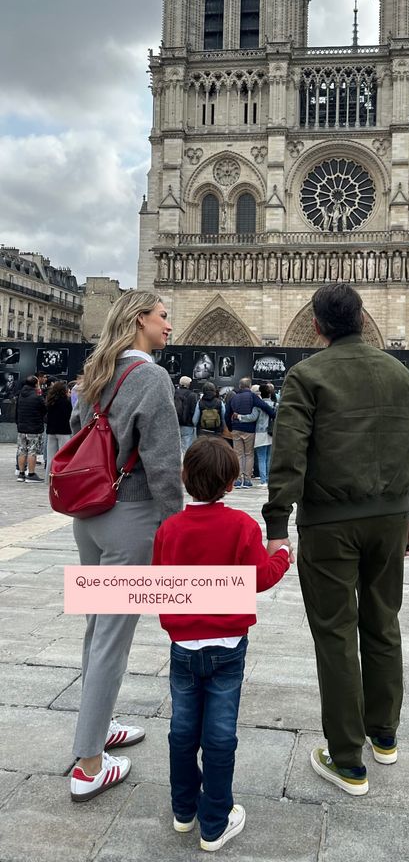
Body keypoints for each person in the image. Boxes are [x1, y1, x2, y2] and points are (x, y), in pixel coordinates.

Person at [262, 283, 409, 797]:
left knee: (336, 633)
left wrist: (276, 526)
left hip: (329, 524)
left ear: (317, 326)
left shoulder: (307, 376)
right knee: (383, 623)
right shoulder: (403, 375)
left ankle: (346, 760)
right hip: (389, 519)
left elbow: (288, 456)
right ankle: (384, 736)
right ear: (362, 319)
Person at [69, 290, 183, 803]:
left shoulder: (98, 370)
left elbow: (78, 432)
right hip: (129, 516)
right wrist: (177, 527)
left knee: (97, 629)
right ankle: (89, 764)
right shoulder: (151, 377)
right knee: (113, 638)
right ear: (140, 319)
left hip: (88, 516)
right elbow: (162, 462)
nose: (169, 326)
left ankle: (103, 722)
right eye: (163, 317)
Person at [152, 438, 292, 850]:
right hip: (229, 646)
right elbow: (260, 578)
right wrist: (282, 555)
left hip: (183, 647)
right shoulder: (242, 527)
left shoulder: (170, 529)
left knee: (182, 729)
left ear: (183, 478)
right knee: (219, 733)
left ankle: (183, 810)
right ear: (232, 484)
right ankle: (215, 820)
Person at [225, 378, 275, 489]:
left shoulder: (233, 397)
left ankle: (238, 480)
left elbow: (227, 414)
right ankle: (247, 480)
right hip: (249, 430)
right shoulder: (252, 397)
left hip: (236, 428)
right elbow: (265, 406)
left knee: (238, 454)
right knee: (249, 454)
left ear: (240, 386)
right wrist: (273, 415)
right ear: (249, 385)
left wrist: (230, 427)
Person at [15, 375, 46, 482]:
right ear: (35, 384)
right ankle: (31, 474)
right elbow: (44, 408)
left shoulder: (20, 395)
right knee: (32, 451)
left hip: (21, 427)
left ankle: (21, 473)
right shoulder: (37, 395)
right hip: (34, 427)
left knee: (21, 450)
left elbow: (16, 411)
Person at [45, 380, 72, 475]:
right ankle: (62, 476)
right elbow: (70, 416)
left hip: (51, 431)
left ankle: (48, 478)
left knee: (50, 457)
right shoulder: (67, 403)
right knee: (64, 456)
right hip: (64, 431)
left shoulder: (50, 401)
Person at [174, 376, 197, 454]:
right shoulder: (192, 395)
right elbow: (193, 411)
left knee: (176, 449)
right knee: (186, 450)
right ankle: (184, 465)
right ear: (189, 384)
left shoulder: (173, 393)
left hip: (175, 424)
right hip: (187, 426)